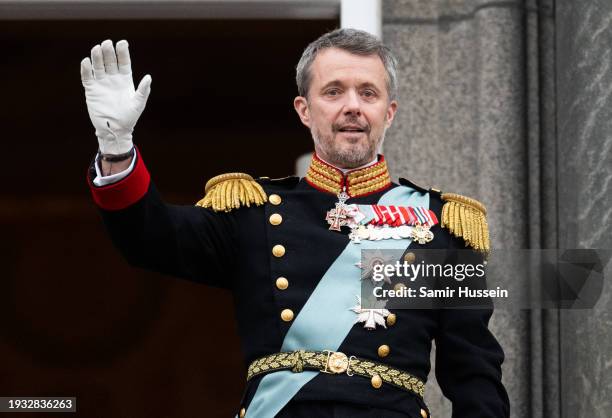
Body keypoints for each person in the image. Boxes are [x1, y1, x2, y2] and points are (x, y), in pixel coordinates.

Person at [81, 29, 509, 418]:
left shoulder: (439, 227)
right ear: (304, 110)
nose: (353, 107)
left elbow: (475, 375)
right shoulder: (253, 212)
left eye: (368, 93)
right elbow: (149, 238)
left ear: (390, 112)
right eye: (334, 91)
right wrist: (116, 149)